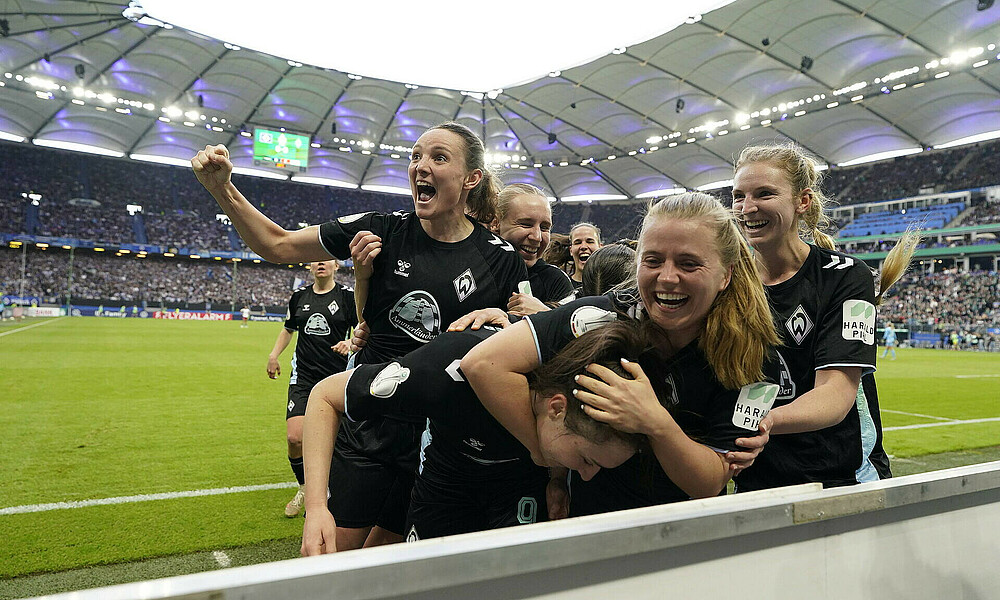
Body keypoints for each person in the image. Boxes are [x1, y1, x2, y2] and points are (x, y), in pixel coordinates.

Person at [192, 121, 528, 550]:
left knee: (386, 567)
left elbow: (524, 342)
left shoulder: (500, 260)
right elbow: (279, 245)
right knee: (328, 559)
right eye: (416, 156)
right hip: (370, 428)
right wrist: (223, 189)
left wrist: (505, 317)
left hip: (441, 445)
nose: (421, 166)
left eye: (439, 158)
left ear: (471, 179)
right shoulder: (381, 231)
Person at [456, 192, 781, 516]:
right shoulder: (600, 317)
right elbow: (484, 364)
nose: (667, 277)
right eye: (652, 261)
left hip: (681, 528)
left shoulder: (751, 354)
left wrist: (655, 422)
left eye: (688, 264)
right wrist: (547, 454)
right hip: (588, 520)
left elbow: (708, 484)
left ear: (725, 274)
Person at [301, 319, 650, 554]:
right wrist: (317, 507)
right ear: (556, 408)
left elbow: (559, 431)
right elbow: (325, 396)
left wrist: (558, 478)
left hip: (520, 480)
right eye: (587, 461)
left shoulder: (570, 373)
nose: (586, 476)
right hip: (446, 479)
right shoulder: (444, 376)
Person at [730, 143, 918, 491]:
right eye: (738, 196)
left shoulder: (846, 277)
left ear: (802, 201)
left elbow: (835, 393)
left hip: (841, 479)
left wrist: (764, 422)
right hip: (756, 479)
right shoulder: (728, 282)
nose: (747, 207)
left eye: (764, 194)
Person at [266, 260, 356, 517]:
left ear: (336, 265)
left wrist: (351, 342)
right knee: (295, 438)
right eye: (316, 259)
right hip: (303, 378)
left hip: (336, 378)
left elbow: (364, 327)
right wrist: (274, 355)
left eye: (326, 259)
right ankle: (305, 486)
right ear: (309, 266)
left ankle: (327, 492)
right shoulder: (299, 297)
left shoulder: (347, 297)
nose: (321, 263)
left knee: (337, 442)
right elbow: (288, 329)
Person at [491, 184, 575, 316]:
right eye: (526, 224)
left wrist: (544, 315)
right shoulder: (473, 271)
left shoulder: (554, 280)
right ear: (496, 223)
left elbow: (570, 326)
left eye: (544, 228)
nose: (537, 237)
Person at [567, 222, 602, 292]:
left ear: (600, 247)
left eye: (590, 242)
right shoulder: (563, 285)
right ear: (571, 250)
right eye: (578, 242)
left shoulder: (611, 286)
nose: (583, 247)